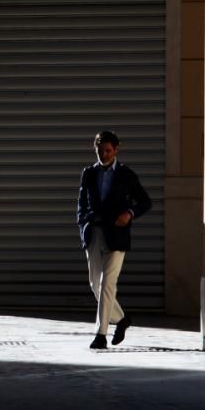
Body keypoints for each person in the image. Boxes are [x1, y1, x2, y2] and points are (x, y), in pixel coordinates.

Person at [76, 130, 151, 349]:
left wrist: (129, 213)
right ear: (95, 149)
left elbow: (145, 202)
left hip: (117, 235)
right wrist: (82, 223)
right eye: (100, 151)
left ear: (116, 150)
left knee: (107, 283)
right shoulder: (88, 173)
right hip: (94, 232)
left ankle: (101, 334)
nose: (104, 154)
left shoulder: (126, 174)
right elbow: (81, 202)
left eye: (108, 150)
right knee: (95, 284)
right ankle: (122, 319)